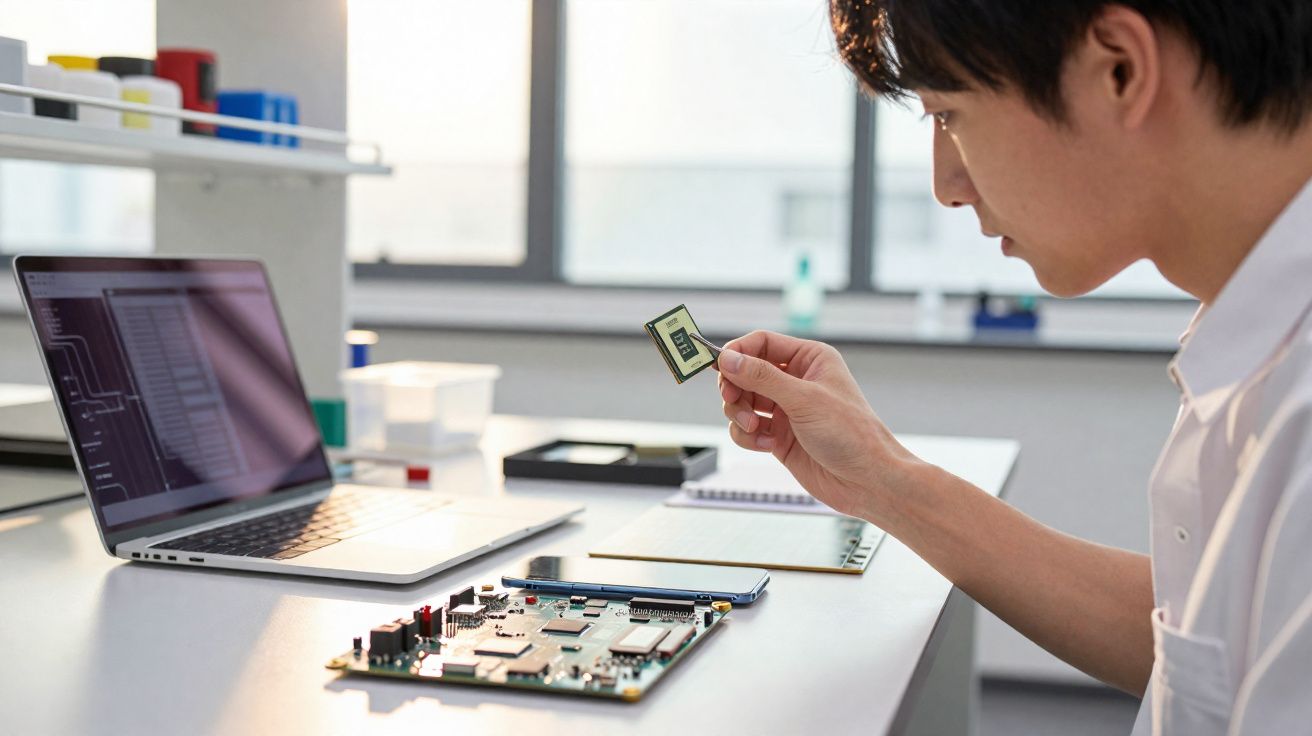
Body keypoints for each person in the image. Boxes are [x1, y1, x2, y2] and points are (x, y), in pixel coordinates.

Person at [716, 2, 1312, 734]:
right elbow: (1203, 646)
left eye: (949, 114)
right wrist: (880, 478)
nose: (947, 185)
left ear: (1118, 71)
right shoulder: (1264, 337)